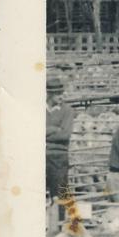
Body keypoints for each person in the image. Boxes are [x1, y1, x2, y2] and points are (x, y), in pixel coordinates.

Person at [45, 75, 75, 210]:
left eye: (61, 93)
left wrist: (45, 131)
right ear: (49, 94)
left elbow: (65, 134)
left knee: (61, 194)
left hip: (59, 157)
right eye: (57, 94)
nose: (61, 96)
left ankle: (61, 223)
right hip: (40, 156)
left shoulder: (67, 110)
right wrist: (55, 129)